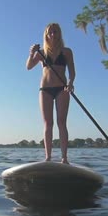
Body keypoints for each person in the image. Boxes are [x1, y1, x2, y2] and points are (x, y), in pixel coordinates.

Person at [26, 23, 75, 164]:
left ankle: (64, 158)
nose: (53, 34)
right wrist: (31, 54)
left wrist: (71, 82)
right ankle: (48, 157)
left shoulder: (67, 52)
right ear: (46, 35)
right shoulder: (42, 53)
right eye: (50, 32)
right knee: (48, 123)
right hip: (45, 90)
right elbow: (29, 66)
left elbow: (72, 71)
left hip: (62, 89)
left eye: (55, 32)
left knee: (62, 122)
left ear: (59, 34)